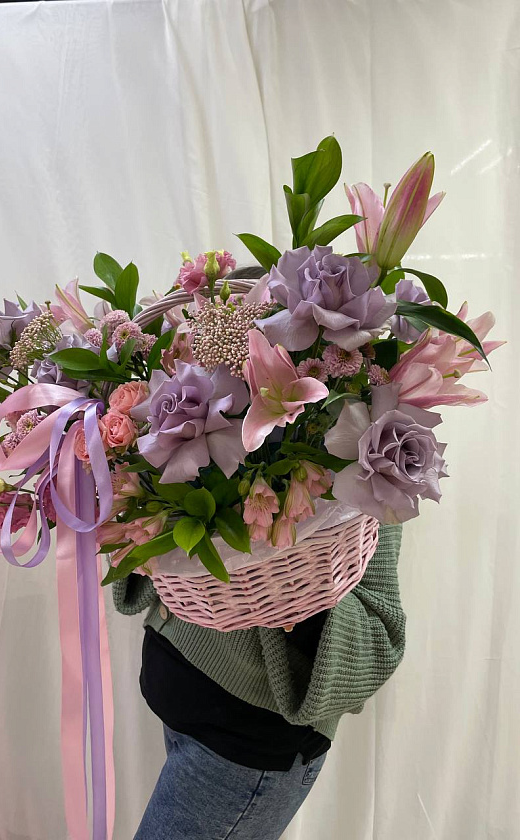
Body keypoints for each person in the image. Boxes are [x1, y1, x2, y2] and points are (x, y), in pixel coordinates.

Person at [112, 269, 407, 840]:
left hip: (245, 747)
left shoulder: (363, 467)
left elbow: (381, 636)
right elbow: (164, 557)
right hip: (191, 710)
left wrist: (298, 593)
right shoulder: (222, 404)